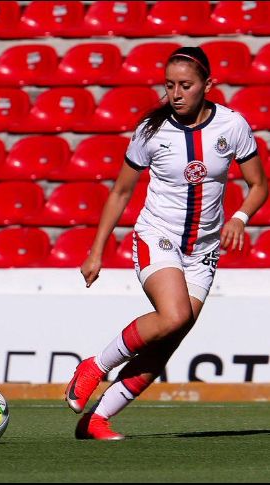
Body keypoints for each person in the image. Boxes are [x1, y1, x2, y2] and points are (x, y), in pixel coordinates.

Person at [64, 47, 268, 440]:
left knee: (168, 339)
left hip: (203, 249)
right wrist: (96, 251)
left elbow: (259, 184)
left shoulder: (232, 126)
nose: (176, 93)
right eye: (169, 85)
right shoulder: (151, 130)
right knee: (173, 315)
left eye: (185, 85)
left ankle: (96, 420)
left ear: (208, 86)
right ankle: (94, 365)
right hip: (158, 236)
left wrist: (239, 217)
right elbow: (121, 192)